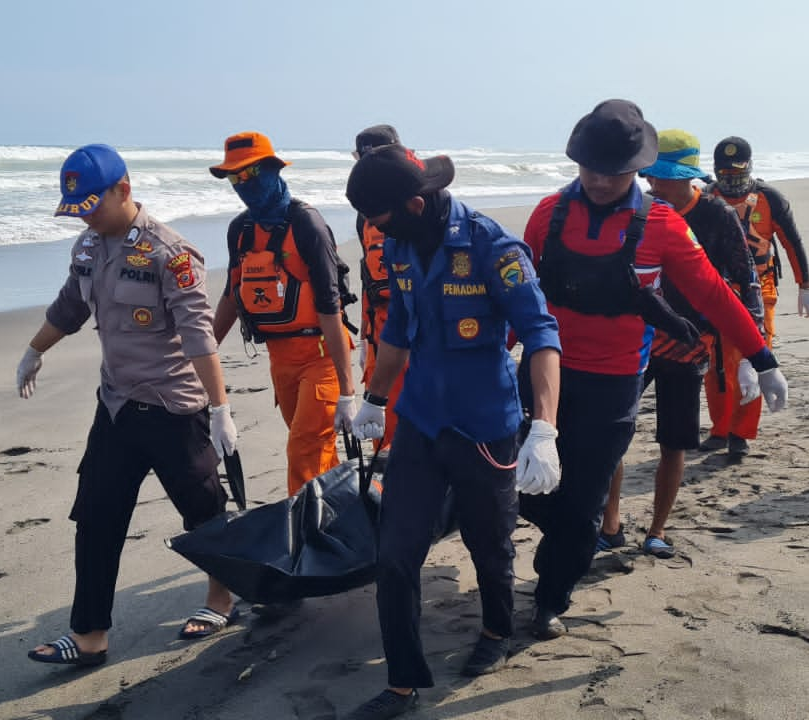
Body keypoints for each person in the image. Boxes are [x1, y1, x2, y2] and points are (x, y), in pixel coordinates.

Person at [518, 101, 786, 639]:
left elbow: (713, 292)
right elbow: (519, 294)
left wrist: (762, 357)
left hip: (616, 381)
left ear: (635, 170)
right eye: (590, 168)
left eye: (613, 171)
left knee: (584, 500)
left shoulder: (661, 224)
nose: (599, 180)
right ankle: (565, 533)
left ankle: (550, 597)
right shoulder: (549, 213)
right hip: (545, 373)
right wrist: (502, 350)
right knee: (529, 492)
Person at [341, 143, 563, 720]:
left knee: (490, 546)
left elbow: (540, 334)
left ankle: (495, 630)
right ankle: (402, 683)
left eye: (380, 218)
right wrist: (374, 398)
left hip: (485, 425)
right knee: (395, 553)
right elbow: (399, 328)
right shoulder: (396, 243)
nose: (373, 229)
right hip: (419, 420)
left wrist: (545, 427)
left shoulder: (494, 246)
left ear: (415, 203)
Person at [16, 144, 243, 666]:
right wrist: (34, 349)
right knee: (95, 517)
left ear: (124, 190)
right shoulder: (89, 248)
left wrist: (219, 408)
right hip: (116, 406)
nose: (88, 217)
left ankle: (222, 599)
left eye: (94, 205)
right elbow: (70, 306)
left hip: (173, 408)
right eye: (79, 209)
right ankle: (90, 634)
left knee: (205, 514)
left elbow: (199, 336)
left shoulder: (172, 254)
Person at [599, 128, 772, 558]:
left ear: (689, 178)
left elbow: (745, 279)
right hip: (634, 340)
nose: (654, 184)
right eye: (651, 176)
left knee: (673, 441)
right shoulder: (636, 210)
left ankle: (657, 529)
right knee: (612, 434)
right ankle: (611, 523)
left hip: (691, 343)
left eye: (664, 177)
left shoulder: (717, 216)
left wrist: (755, 353)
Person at [209, 132, 359, 496]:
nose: (242, 184)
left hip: (323, 355)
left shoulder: (307, 224)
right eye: (234, 177)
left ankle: (306, 542)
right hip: (280, 359)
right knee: (314, 449)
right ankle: (342, 527)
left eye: (250, 173)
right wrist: (203, 351)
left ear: (274, 170)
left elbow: (329, 306)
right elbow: (232, 294)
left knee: (303, 450)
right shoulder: (240, 230)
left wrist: (347, 391)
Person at [703, 136, 809, 455]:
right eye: (725, 176)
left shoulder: (769, 199)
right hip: (716, 290)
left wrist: (804, 286)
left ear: (749, 169)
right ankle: (720, 429)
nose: (731, 182)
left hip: (760, 287)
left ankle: (741, 434)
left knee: (755, 359)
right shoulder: (706, 199)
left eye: (737, 175)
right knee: (717, 365)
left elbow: (792, 243)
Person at [352, 124, 407, 447]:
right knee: (380, 431)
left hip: (412, 338)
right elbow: (369, 279)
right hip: (378, 335)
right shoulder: (365, 214)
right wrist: (362, 337)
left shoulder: (417, 207)